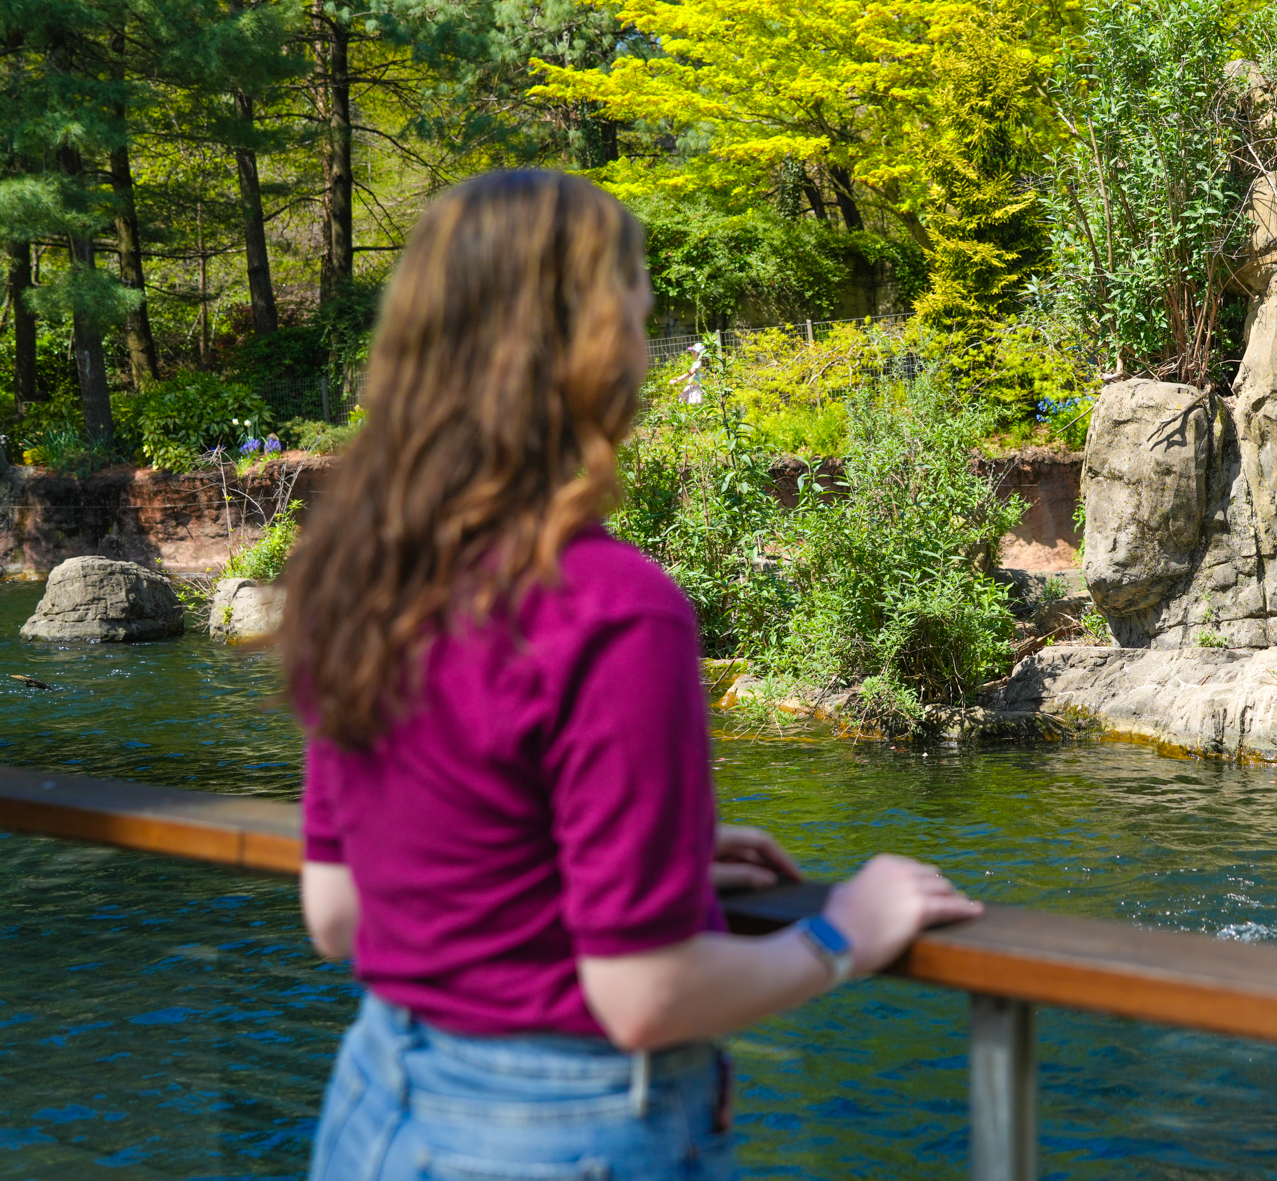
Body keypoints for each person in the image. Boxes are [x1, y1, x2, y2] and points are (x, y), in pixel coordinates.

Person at [280, 169, 981, 1181]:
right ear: (593, 346)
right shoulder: (614, 606)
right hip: (558, 1135)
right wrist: (847, 932)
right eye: (639, 309)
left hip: (376, 1107)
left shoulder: (363, 571)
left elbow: (339, 911)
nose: (647, 344)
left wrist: (622, 868)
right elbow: (644, 996)